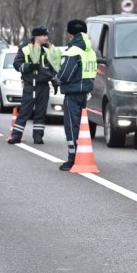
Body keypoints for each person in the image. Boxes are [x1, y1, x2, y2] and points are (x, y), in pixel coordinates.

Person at [55, 19, 97, 171]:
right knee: (82, 125)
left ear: (70, 33)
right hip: (85, 92)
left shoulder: (73, 51)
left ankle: (72, 158)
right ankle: (82, 154)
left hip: (72, 93)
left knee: (72, 125)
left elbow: (65, 74)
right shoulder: (90, 51)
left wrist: (57, 78)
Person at [8, 27, 56, 144]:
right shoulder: (25, 48)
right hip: (31, 85)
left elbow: (54, 65)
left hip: (43, 85)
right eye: (44, 35)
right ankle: (16, 136)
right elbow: (17, 64)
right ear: (37, 36)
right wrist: (29, 67)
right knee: (25, 111)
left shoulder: (49, 48)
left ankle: (38, 136)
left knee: (41, 112)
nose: (46, 38)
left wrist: (54, 79)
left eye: (47, 35)